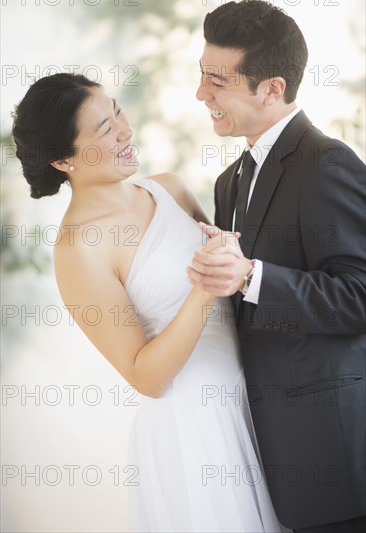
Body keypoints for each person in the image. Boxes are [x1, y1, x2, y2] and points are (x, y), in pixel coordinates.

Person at [12, 73, 285, 533]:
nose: (124, 130)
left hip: (253, 398)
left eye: (116, 111)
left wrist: (231, 258)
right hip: (193, 430)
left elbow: (236, 282)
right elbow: (146, 376)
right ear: (63, 159)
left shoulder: (170, 188)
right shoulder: (80, 249)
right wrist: (204, 283)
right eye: (102, 129)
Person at [188, 0, 366, 533]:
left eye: (217, 80)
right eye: (201, 76)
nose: (202, 94)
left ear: (272, 89)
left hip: (337, 463)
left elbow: (359, 295)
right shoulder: (230, 182)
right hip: (269, 456)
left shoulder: (327, 163)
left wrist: (251, 276)